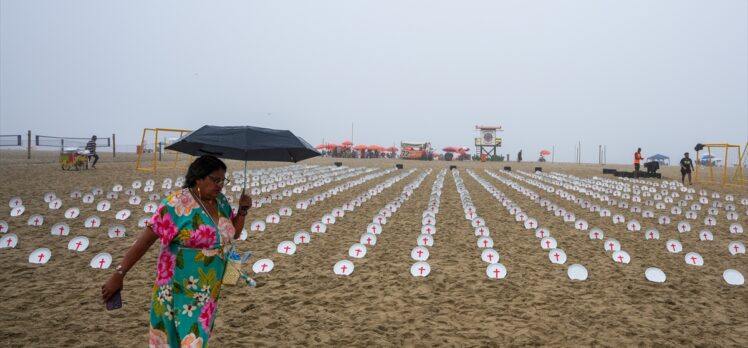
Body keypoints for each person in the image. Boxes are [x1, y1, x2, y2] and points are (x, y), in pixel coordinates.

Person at [101, 155, 251, 347]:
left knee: (197, 337)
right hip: (176, 287)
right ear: (199, 178)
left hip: (207, 289)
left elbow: (234, 233)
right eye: (215, 179)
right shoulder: (176, 203)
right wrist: (119, 274)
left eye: (223, 180)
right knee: (173, 339)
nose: (220, 185)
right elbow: (145, 241)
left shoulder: (220, 202)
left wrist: (243, 211)